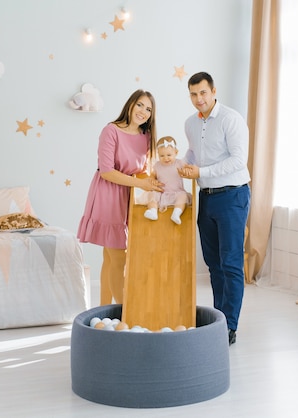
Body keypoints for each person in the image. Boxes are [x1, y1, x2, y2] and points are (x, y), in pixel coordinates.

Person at [178, 72, 251, 345]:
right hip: (205, 197)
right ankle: (219, 319)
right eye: (194, 94)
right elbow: (193, 154)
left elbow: (238, 160)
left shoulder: (231, 119)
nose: (199, 99)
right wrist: (179, 164)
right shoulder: (190, 124)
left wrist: (201, 171)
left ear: (213, 91)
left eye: (203, 93)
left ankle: (229, 326)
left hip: (232, 195)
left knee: (231, 263)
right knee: (213, 264)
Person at [77, 89, 163, 304]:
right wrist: (140, 183)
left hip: (129, 197)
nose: (143, 112)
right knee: (118, 257)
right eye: (140, 105)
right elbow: (107, 171)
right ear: (131, 104)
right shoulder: (111, 130)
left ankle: (104, 313)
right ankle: (127, 312)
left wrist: (156, 183)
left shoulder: (147, 137)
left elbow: (145, 169)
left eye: (149, 109)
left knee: (110, 258)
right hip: (107, 194)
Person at [142, 136, 192, 225]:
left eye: (169, 155)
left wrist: (186, 171)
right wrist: (153, 179)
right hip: (162, 194)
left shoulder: (179, 163)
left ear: (176, 153)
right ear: (158, 154)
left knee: (183, 196)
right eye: (162, 156)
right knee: (152, 194)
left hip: (177, 193)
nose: (166, 158)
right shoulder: (157, 165)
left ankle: (176, 213)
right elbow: (153, 175)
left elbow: (188, 169)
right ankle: (153, 211)